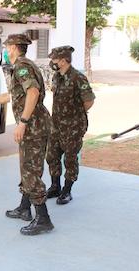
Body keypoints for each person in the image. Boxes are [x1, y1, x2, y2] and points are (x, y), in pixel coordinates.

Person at [0, 34, 54, 235]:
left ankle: (43, 219)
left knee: (30, 169)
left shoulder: (22, 66)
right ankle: (24, 208)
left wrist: (23, 123)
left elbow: (33, 93)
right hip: (34, 125)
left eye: (7, 46)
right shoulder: (22, 65)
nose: (5, 49)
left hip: (33, 127)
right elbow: (10, 96)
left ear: (12, 47)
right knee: (27, 168)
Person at [45, 46, 95, 204]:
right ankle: (55, 186)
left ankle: (67, 190)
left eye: (54, 59)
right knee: (52, 156)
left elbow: (89, 101)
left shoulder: (78, 78)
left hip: (72, 127)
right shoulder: (56, 76)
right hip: (56, 125)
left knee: (70, 159)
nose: (52, 62)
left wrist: (75, 115)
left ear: (64, 60)